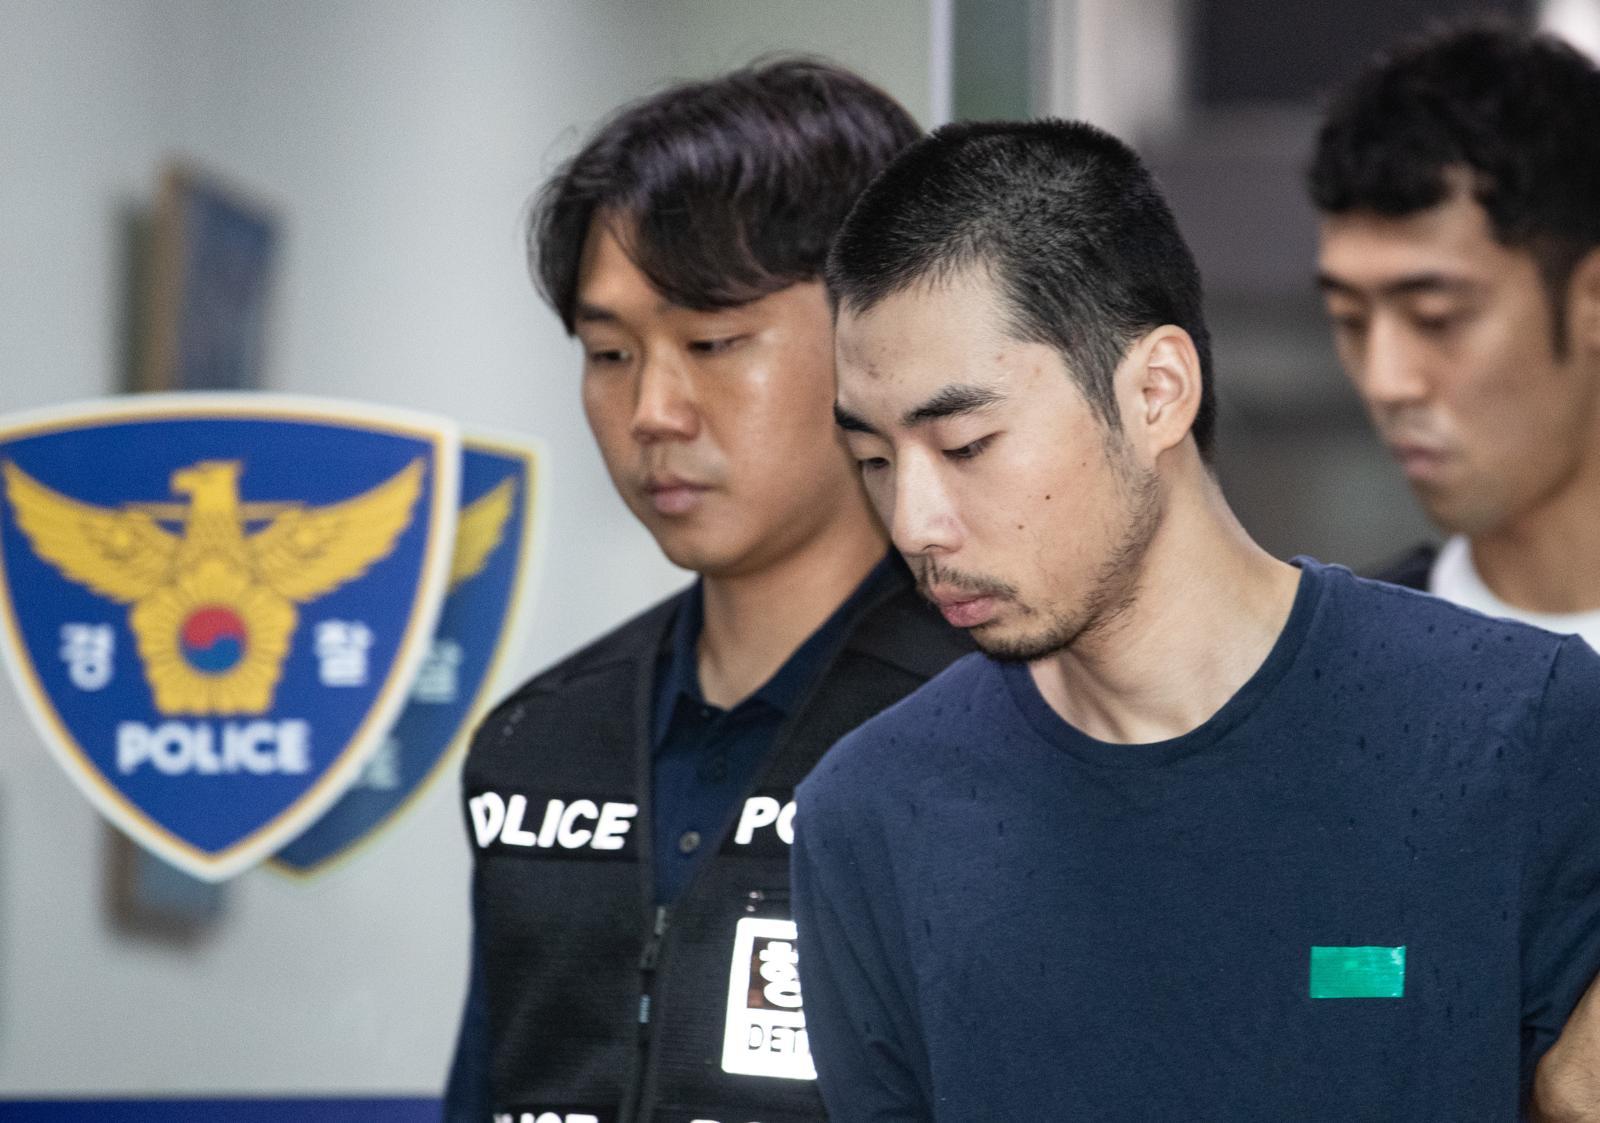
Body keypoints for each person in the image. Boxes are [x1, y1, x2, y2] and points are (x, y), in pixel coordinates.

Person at [790, 118, 1600, 1121]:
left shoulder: (1519, 727)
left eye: (964, 444)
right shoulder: (870, 815)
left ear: (1156, 392)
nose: (914, 522)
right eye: (873, 459)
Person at [443, 59, 969, 1123]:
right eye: (609, 352)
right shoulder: (541, 743)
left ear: (876, 339)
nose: (653, 410)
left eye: (712, 342)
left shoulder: (998, 735)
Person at [1309, 27, 1600, 1118]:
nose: (1386, 377)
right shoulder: (1329, 689)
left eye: (1437, 317)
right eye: (1348, 320)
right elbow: (1313, 979)